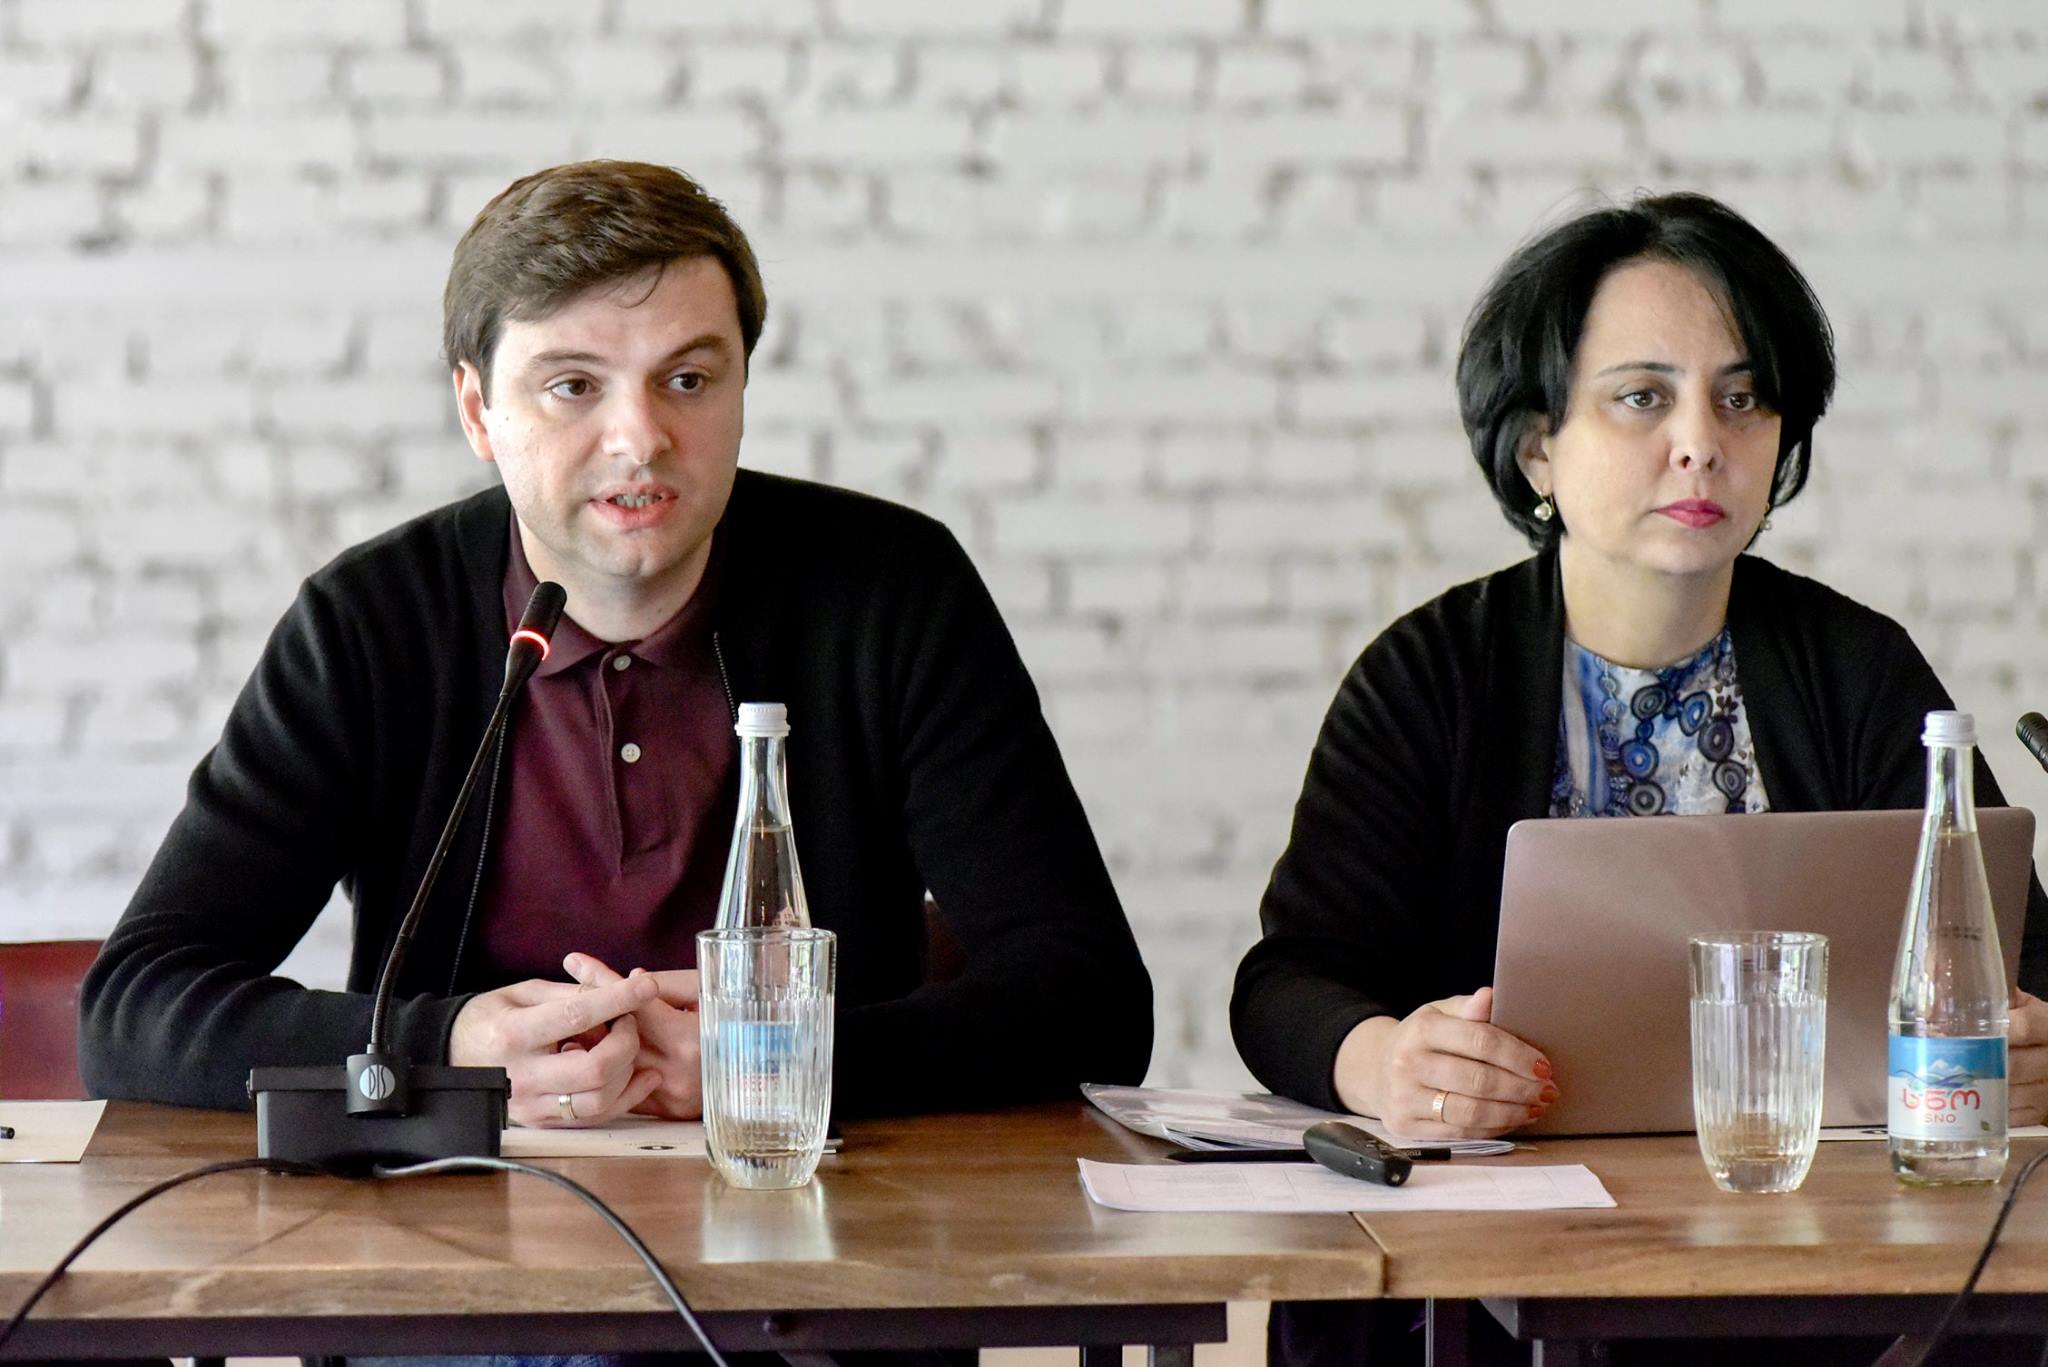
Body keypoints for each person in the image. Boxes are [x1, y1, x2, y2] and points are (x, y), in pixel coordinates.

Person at [80, 160, 1153, 1129]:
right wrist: (443, 1046)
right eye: (573, 385)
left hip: (814, 1214)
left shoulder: (892, 592)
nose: (640, 439)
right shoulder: (370, 622)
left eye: (688, 379)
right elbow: (133, 1004)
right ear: (477, 410)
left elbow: (1094, 999)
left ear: (742, 388)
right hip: (457, 1226)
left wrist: (790, 1060)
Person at [1232, 192, 2048, 1366]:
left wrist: (2028, 1044)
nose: (1699, 440)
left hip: (1817, 1265)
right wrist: (1382, 1061)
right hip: (1495, 1268)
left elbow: (2018, 956)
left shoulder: (1855, 667)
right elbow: (1285, 979)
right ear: (1537, 446)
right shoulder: (1429, 675)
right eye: (1641, 397)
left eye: (1740, 397)